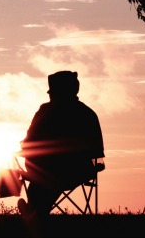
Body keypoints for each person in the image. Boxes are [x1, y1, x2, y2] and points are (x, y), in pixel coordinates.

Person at [17, 70, 105, 219]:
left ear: (57, 92)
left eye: (51, 92)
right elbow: (97, 152)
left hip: (48, 170)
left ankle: (35, 212)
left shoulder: (45, 111)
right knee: (49, 178)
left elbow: (28, 142)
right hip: (78, 171)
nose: (49, 96)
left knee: (46, 178)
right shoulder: (87, 113)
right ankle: (35, 212)